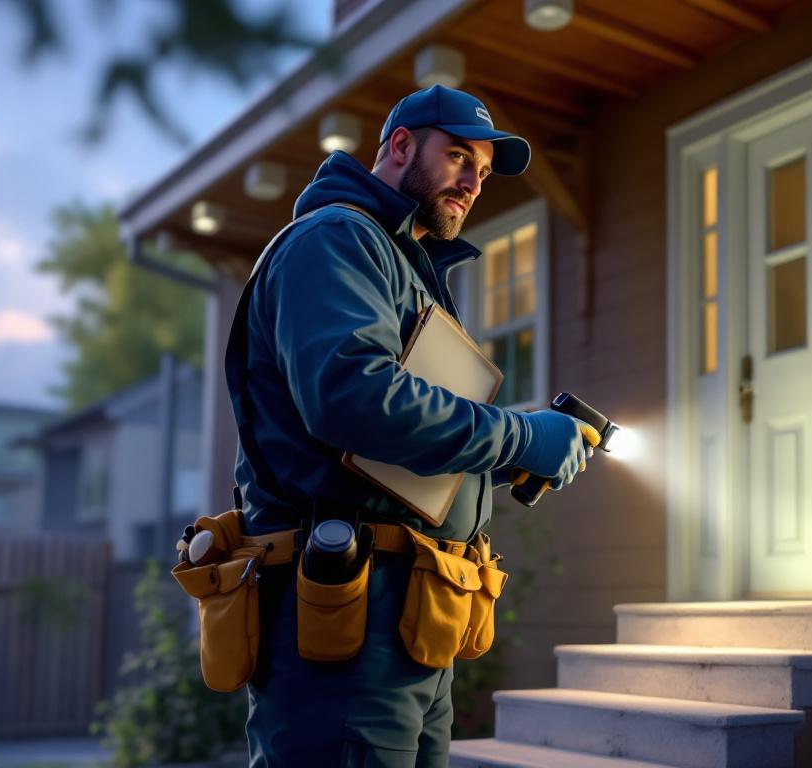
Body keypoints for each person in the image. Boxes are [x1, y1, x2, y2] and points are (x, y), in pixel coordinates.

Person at [225, 84, 590, 767]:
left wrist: (501, 461)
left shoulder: (402, 265)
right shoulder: (338, 239)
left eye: (481, 173)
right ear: (398, 147)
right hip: (342, 624)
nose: (472, 183)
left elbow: (398, 440)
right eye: (457, 157)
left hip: (413, 623)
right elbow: (352, 400)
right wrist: (519, 436)